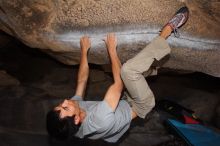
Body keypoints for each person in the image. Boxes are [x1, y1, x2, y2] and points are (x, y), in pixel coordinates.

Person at [46, 6, 189, 143]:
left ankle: (152, 68)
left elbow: (82, 81)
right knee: (128, 70)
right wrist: (112, 50)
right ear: (77, 120)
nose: (65, 102)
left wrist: (84, 52)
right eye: (65, 108)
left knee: (120, 70)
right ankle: (168, 30)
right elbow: (119, 83)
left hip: (123, 102)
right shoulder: (98, 120)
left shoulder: (73, 118)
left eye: (59, 105)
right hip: (140, 106)